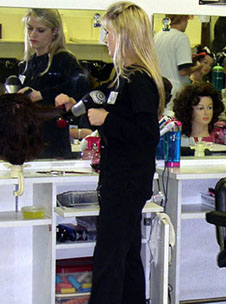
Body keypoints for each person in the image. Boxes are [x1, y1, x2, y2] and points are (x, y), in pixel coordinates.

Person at [55, 2, 165, 303]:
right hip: (120, 180)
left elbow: (146, 135)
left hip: (127, 184)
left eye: (109, 33)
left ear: (127, 36)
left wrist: (108, 120)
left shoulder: (140, 80)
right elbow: (102, 106)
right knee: (127, 257)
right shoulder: (122, 78)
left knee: (108, 259)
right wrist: (77, 107)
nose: (105, 39)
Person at [18, 8, 90, 159]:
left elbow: (81, 89)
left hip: (53, 142)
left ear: (55, 31)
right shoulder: (26, 64)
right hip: (28, 140)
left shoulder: (64, 60)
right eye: (30, 28)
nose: (33, 34)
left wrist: (42, 95)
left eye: (40, 30)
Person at [154, 14, 203, 114]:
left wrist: (188, 58)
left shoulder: (158, 36)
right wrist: (198, 67)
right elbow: (183, 71)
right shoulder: (181, 37)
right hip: (174, 92)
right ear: (184, 18)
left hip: (158, 89)